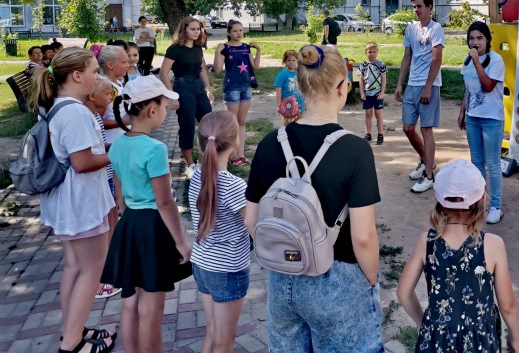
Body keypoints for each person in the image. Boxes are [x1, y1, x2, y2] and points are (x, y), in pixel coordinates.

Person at [245, 45, 382, 352]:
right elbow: (363, 237)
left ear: (301, 85)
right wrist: (371, 280)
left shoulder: (270, 144)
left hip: (283, 279)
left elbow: (251, 220)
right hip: (337, 279)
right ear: (342, 87)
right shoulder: (355, 150)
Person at [27, 48, 117, 353]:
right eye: (94, 71)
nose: (97, 76)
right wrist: (118, 153)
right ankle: (72, 344)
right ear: (77, 76)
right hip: (81, 204)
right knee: (91, 270)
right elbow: (82, 162)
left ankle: (72, 330)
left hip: (66, 202)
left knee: (75, 267)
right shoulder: (76, 113)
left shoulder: (58, 106)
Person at [101, 76, 192, 353]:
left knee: (130, 302)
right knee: (152, 308)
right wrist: (180, 242)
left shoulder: (117, 146)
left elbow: (119, 198)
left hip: (129, 225)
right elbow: (164, 202)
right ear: (152, 110)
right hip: (152, 227)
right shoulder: (155, 149)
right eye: (164, 106)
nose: (166, 111)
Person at [396, 159, 519, 353]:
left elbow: (403, 292)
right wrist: (515, 337)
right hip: (480, 341)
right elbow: (507, 305)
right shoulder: (493, 244)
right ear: (482, 200)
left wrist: (425, 325)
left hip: (436, 340)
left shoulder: (426, 242)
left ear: (439, 200)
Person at [189, 111, 250, 353]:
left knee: (212, 331)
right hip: (227, 269)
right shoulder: (235, 186)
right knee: (225, 341)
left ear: (200, 143)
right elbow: (254, 225)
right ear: (236, 141)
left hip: (202, 263)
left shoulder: (197, 175)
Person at [394, 0, 445, 193]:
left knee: (426, 129)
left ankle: (429, 176)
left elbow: (437, 60)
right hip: (412, 85)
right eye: (414, 6)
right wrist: (400, 84)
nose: (416, 10)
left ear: (429, 7)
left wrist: (427, 88)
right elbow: (407, 56)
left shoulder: (436, 29)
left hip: (429, 85)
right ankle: (426, 161)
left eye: (419, 6)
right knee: (407, 128)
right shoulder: (411, 29)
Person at [458, 21, 506, 224]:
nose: (475, 42)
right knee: (476, 162)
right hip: (473, 117)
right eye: (471, 38)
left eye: (479, 38)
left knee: (493, 164)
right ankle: (479, 203)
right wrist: (463, 110)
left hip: (491, 119)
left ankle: (495, 206)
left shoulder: (496, 60)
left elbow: (487, 86)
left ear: (487, 40)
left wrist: (477, 62)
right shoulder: (468, 60)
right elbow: (468, 89)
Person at [160, 16, 214, 174]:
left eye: (198, 29)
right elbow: (163, 73)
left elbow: (202, 69)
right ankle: (190, 165)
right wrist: (172, 96)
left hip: (198, 88)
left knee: (208, 124)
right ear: (184, 30)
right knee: (188, 127)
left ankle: (203, 161)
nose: (196, 32)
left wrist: (208, 88)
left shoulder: (198, 48)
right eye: (193, 29)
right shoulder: (174, 49)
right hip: (183, 89)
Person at [84, 75, 123, 300]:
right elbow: (88, 154)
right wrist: (114, 152)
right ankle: (101, 280)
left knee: (111, 217)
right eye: (108, 93)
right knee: (103, 226)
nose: (111, 97)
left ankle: (112, 263)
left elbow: (100, 145)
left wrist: (114, 146)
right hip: (99, 177)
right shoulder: (87, 118)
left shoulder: (95, 116)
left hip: (105, 175)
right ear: (92, 96)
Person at [213, 20, 261, 166]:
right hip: (232, 87)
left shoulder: (246, 48)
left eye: (240, 30)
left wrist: (258, 50)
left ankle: (241, 154)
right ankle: (232, 155)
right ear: (229, 32)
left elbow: (255, 66)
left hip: (246, 86)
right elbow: (217, 69)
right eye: (235, 31)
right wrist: (217, 51)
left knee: (241, 122)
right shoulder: (225, 48)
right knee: (232, 123)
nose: (239, 33)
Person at [98, 45, 130, 150]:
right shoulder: (106, 87)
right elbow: (97, 121)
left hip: (121, 138)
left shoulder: (117, 82)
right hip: (112, 141)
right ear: (110, 65)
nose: (128, 65)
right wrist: (124, 122)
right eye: (124, 62)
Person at [359, 41, 387, 144]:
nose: (372, 54)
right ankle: (368, 134)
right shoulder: (363, 65)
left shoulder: (381, 65)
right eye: (370, 52)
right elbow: (361, 80)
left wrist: (382, 92)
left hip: (377, 94)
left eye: (374, 52)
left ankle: (380, 134)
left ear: (377, 52)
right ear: (365, 52)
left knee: (378, 113)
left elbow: (384, 79)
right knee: (368, 113)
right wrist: (362, 93)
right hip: (367, 94)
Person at [274, 49, 304, 124]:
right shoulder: (282, 74)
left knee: (300, 123)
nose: (291, 62)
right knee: (288, 124)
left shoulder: (299, 73)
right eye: (289, 60)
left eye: (293, 60)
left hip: (300, 103)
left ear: (297, 61)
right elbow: (278, 91)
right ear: (284, 61)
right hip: (288, 105)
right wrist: (279, 106)